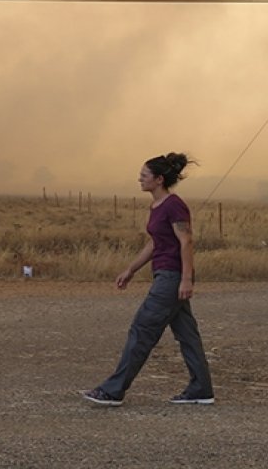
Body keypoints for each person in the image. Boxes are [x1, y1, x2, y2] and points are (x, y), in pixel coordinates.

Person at [82, 153, 214, 407]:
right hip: (166, 275)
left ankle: (113, 390)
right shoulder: (156, 206)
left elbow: (186, 241)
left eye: (144, 175)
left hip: (172, 277)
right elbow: (155, 243)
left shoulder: (174, 205)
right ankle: (201, 389)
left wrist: (186, 279)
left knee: (142, 330)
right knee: (187, 335)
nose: (139, 179)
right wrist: (130, 269)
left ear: (159, 179)